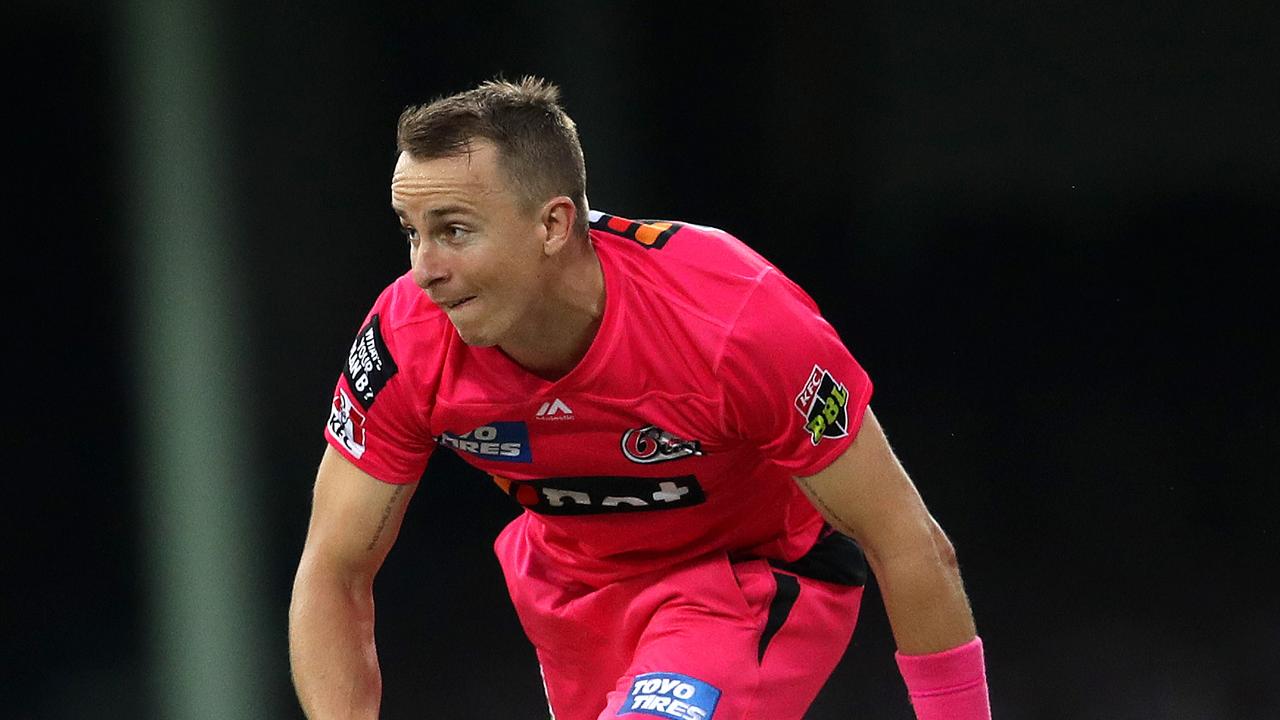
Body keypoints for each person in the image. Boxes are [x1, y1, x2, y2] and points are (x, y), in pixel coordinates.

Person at [288, 76, 991, 720]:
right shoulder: (405, 338)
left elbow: (909, 541)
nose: (425, 270)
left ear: (554, 226)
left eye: (454, 231)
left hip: (742, 581)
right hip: (572, 601)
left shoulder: (732, 321)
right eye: (412, 233)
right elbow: (334, 568)